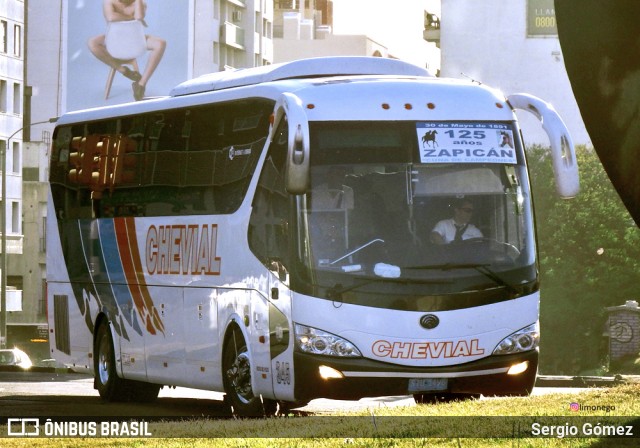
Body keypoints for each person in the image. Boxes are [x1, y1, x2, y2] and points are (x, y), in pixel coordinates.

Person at [88, 0, 166, 101]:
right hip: (114, 41)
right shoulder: (109, 2)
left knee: (160, 43)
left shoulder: (140, 3)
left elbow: (139, 17)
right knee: (92, 42)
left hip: (134, 41)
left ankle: (141, 84)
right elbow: (111, 17)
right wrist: (130, 17)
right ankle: (123, 70)